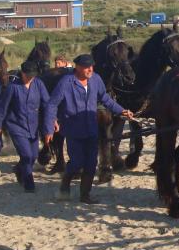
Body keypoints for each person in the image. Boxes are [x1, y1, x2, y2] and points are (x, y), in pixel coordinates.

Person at [44, 54, 133, 203]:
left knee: (91, 163)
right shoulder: (66, 82)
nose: (90, 69)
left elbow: (104, 98)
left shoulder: (96, 79)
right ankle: (65, 182)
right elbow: (52, 104)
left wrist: (121, 110)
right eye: (86, 67)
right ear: (77, 67)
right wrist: (49, 128)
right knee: (77, 162)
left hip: (91, 128)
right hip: (73, 129)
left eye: (91, 66)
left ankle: (85, 195)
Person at [0, 60, 50, 192]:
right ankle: (29, 184)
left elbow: (47, 104)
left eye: (33, 75)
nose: (30, 77)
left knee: (34, 155)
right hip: (16, 125)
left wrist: (53, 120)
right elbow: (2, 107)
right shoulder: (13, 87)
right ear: (22, 74)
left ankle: (19, 169)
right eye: (28, 75)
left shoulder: (39, 84)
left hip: (33, 126)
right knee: (26, 155)